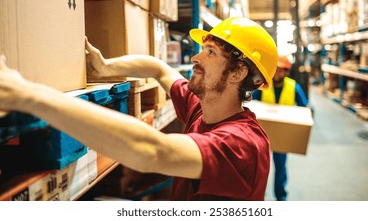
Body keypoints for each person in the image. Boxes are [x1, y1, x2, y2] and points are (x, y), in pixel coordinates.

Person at [0, 17, 278, 200]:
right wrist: (105, 66)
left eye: (210, 53)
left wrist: (29, 95)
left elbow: (155, 152)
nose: (195, 57)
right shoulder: (202, 108)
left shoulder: (244, 145)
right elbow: (156, 67)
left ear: (238, 73)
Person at [252, 55, 308, 201]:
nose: (278, 74)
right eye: (276, 70)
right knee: (259, 167)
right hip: (262, 133)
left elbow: (304, 109)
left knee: (280, 167)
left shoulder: (293, 87)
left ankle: (280, 197)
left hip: (282, 134)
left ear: (287, 72)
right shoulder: (264, 85)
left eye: (282, 71)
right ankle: (257, 197)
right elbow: (250, 103)